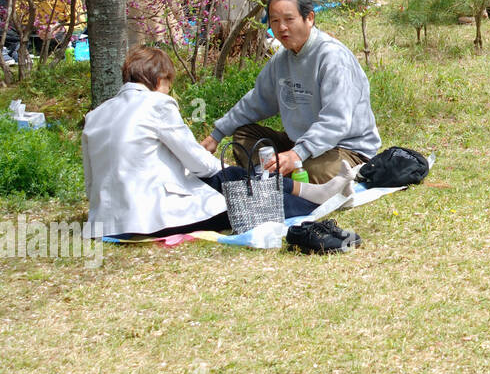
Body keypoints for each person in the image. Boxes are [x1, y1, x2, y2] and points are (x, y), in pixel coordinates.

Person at [82, 47, 349, 238]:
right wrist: (227, 172)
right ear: (158, 79)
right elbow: (199, 163)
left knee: (232, 177)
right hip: (150, 218)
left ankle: (313, 192)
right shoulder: (156, 104)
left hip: (105, 220)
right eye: (168, 83)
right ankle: (315, 200)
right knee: (238, 190)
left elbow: (91, 180)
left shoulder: (95, 115)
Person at [200, 0, 381, 183]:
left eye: (289, 19)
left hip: (345, 149)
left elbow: (336, 122)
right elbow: (256, 100)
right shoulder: (282, 59)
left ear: (309, 18)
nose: (281, 27)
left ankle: (278, 175)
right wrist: (216, 135)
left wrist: (297, 154)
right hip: (301, 144)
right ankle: (278, 176)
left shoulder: (332, 57)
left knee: (314, 170)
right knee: (244, 136)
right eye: (275, 21)